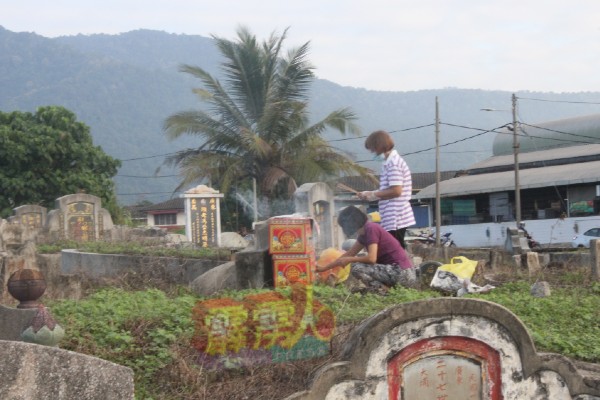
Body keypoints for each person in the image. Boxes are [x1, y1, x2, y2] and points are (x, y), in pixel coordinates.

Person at [315, 206, 417, 293]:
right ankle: (387, 290)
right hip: (398, 273)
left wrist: (350, 260)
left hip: (402, 273)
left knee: (356, 267)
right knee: (355, 264)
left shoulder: (371, 229)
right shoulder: (363, 234)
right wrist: (324, 268)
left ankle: (382, 291)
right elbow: (349, 253)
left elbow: (371, 259)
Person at [358, 130, 415, 249]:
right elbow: (389, 189)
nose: (373, 153)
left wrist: (373, 194)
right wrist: (370, 194)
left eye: (373, 150)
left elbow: (396, 191)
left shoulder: (393, 164)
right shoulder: (389, 163)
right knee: (396, 249)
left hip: (396, 216)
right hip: (393, 216)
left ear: (379, 146)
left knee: (395, 250)